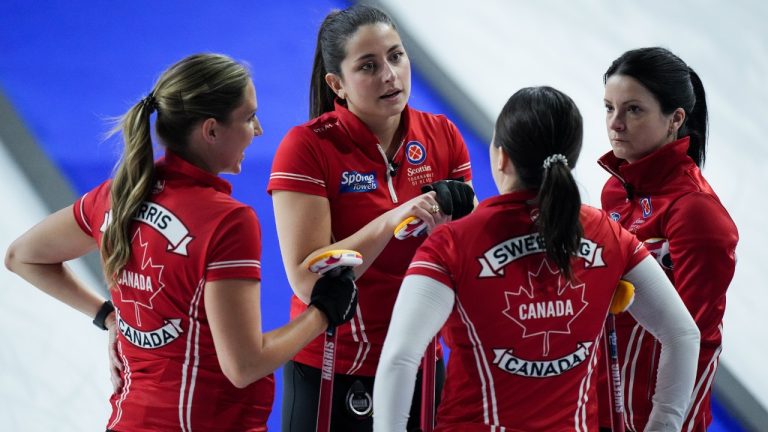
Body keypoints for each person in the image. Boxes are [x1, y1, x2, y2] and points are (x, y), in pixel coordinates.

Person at [4, 53, 358, 432]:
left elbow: (22, 256)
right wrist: (322, 311)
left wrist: (110, 318)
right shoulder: (226, 220)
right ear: (211, 130)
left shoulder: (117, 196)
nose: (258, 130)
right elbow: (244, 366)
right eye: (248, 117)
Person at [373, 86, 702, 431]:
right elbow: (683, 335)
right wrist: (663, 425)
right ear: (570, 161)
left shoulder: (451, 244)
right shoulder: (608, 234)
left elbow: (400, 358)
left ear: (501, 157)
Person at [267, 4, 475, 431]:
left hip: (420, 362)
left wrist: (458, 228)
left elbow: (463, 267)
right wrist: (391, 220)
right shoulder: (306, 147)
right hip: (331, 364)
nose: (389, 75)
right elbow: (309, 281)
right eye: (369, 65)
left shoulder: (443, 136)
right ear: (337, 85)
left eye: (396, 56)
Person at [596, 47, 739, 432]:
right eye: (609, 107)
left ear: (676, 118)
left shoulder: (696, 212)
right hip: (605, 399)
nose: (616, 124)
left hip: (657, 412)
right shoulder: (615, 189)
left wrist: (666, 422)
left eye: (633, 110)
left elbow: (696, 337)